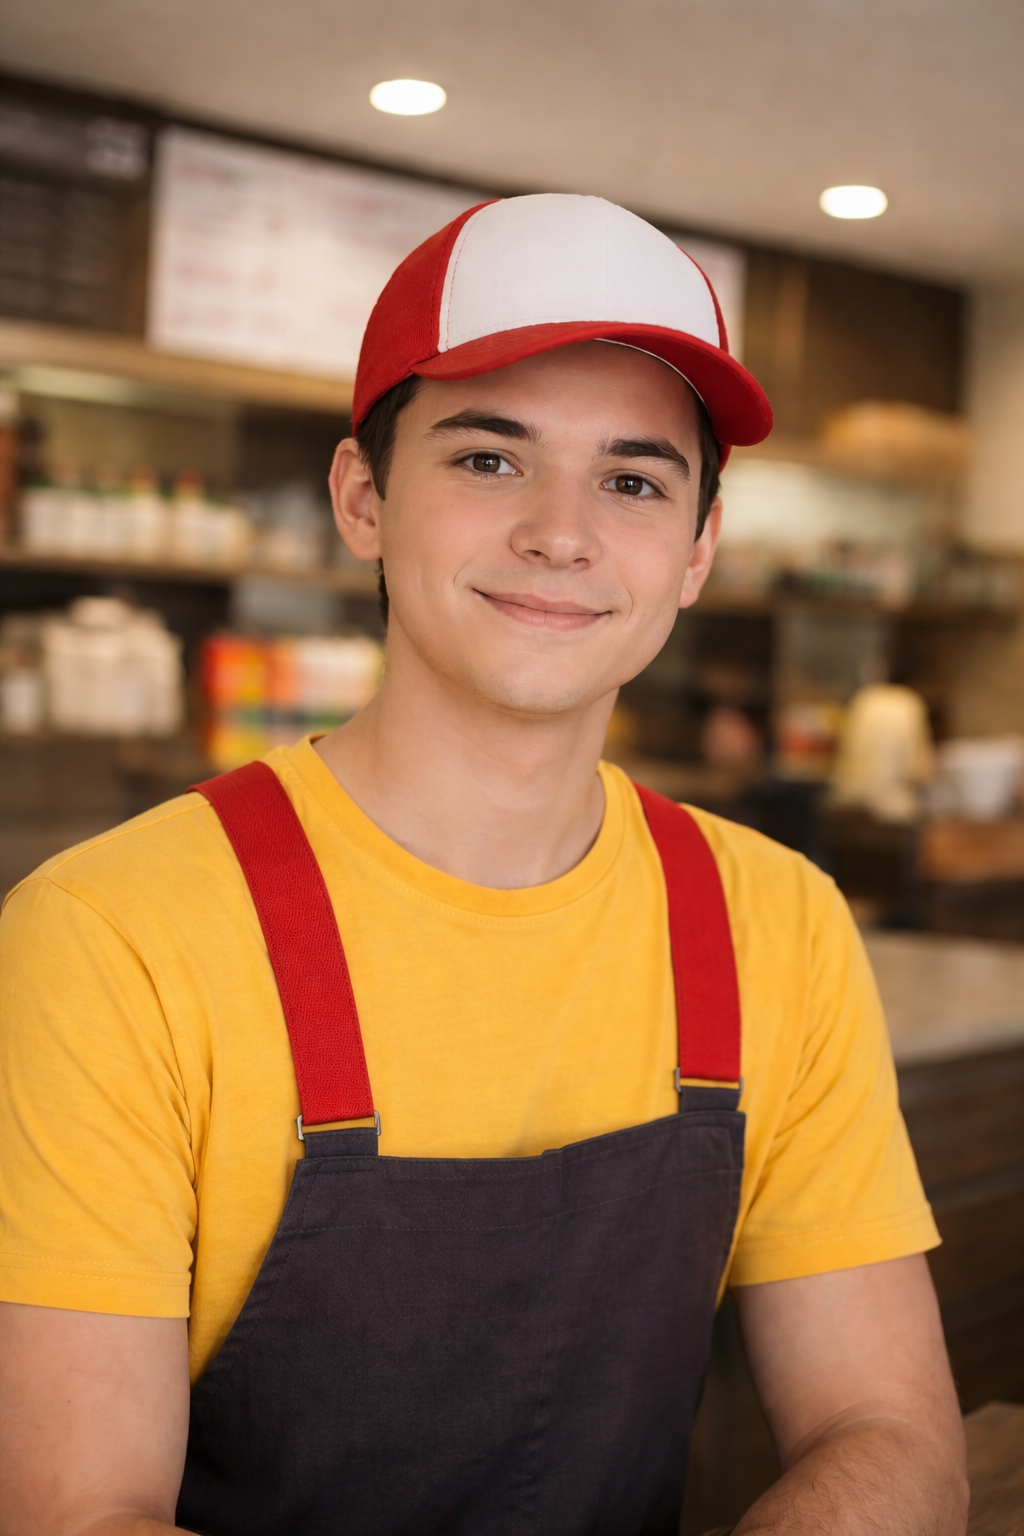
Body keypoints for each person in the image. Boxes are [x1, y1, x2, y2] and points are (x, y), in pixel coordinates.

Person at [0, 194, 967, 1536]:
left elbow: (894, 1436)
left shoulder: (775, 923)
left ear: (695, 554)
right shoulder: (112, 935)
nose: (562, 533)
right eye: (490, 459)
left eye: (633, 480)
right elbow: (77, 1514)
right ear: (362, 498)